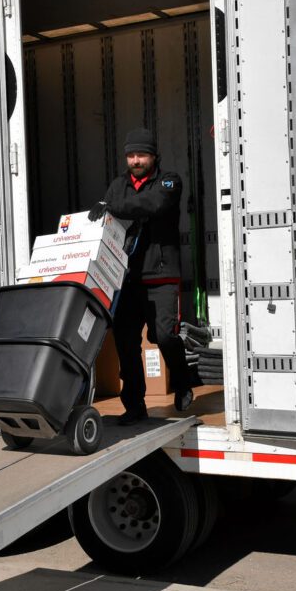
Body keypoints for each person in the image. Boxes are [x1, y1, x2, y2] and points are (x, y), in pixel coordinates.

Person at [88, 128, 193, 425]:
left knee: (164, 336)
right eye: (131, 155)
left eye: (142, 155)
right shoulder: (118, 186)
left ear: (154, 157)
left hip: (161, 275)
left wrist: (112, 206)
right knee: (125, 344)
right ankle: (135, 405)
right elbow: (107, 223)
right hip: (127, 279)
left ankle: (182, 381)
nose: (136, 160)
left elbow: (152, 204)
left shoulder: (169, 181)